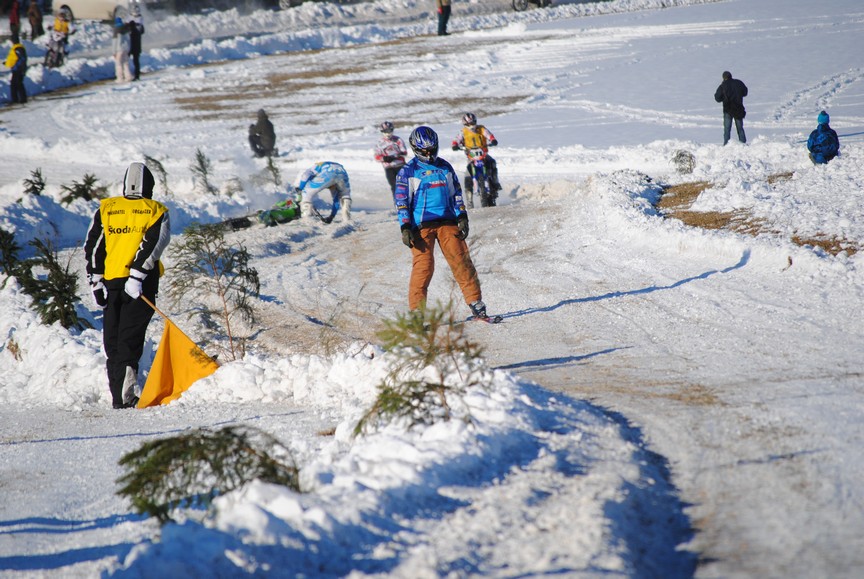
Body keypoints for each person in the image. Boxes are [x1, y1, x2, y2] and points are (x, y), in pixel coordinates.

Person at [84, 162, 171, 409]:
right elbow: (154, 243)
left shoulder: (107, 208)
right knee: (128, 339)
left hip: (111, 283)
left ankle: (119, 395)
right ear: (150, 187)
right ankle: (124, 395)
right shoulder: (156, 210)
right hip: (141, 285)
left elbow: (94, 246)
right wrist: (137, 275)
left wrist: (96, 278)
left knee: (112, 340)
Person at [394, 126, 490, 319]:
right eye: (424, 151)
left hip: (448, 221)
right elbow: (402, 201)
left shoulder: (445, 167)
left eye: (432, 150)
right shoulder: (408, 171)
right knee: (424, 267)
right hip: (420, 227)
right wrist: (405, 226)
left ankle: (475, 302)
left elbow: (456, 194)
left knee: (461, 260)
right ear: (416, 149)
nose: (429, 154)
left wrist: (462, 215)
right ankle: (416, 313)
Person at [451, 112, 501, 207]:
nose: (471, 126)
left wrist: (493, 140)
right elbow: (456, 139)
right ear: (465, 124)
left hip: (483, 155)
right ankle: (469, 201)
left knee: (493, 162)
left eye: (473, 123)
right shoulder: (463, 132)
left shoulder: (481, 129)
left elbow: (489, 134)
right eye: (469, 124)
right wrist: (455, 145)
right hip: (471, 157)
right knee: (467, 176)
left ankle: (495, 182)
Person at [714, 70, 748, 145]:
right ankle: (743, 143)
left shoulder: (723, 85)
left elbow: (717, 98)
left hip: (727, 109)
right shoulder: (739, 83)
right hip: (738, 108)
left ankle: (726, 144)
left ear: (724, 78)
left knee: (727, 129)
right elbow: (745, 92)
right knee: (740, 128)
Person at [374, 121, 408, 195]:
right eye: (385, 131)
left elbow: (404, 152)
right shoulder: (380, 143)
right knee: (394, 185)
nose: (388, 134)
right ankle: (397, 203)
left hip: (400, 165)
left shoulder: (398, 140)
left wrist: (395, 156)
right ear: (382, 132)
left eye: (390, 131)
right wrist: (384, 158)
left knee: (404, 184)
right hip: (389, 167)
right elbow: (376, 156)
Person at [5, 35, 27, 105]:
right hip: (16, 68)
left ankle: (22, 99)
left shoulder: (18, 48)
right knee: (14, 84)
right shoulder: (16, 48)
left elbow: (22, 59)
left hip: (18, 69)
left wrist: (18, 66)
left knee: (18, 83)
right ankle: (16, 99)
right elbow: (13, 58)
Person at [112, 15, 133, 83]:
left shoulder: (116, 30)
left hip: (119, 50)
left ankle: (120, 78)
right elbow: (129, 40)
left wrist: (114, 52)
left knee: (118, 64)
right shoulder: (126, 29)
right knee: (126, 63)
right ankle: (128, 76)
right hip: (126, 48)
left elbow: (115, 42)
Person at [128, 4, 145, 81]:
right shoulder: (132, 19)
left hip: (133, 45)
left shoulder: (140, 20)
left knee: (135, 61)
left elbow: (142, 31)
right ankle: (132, 75)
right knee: (134, 61)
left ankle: (135, 75)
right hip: (134, 45)